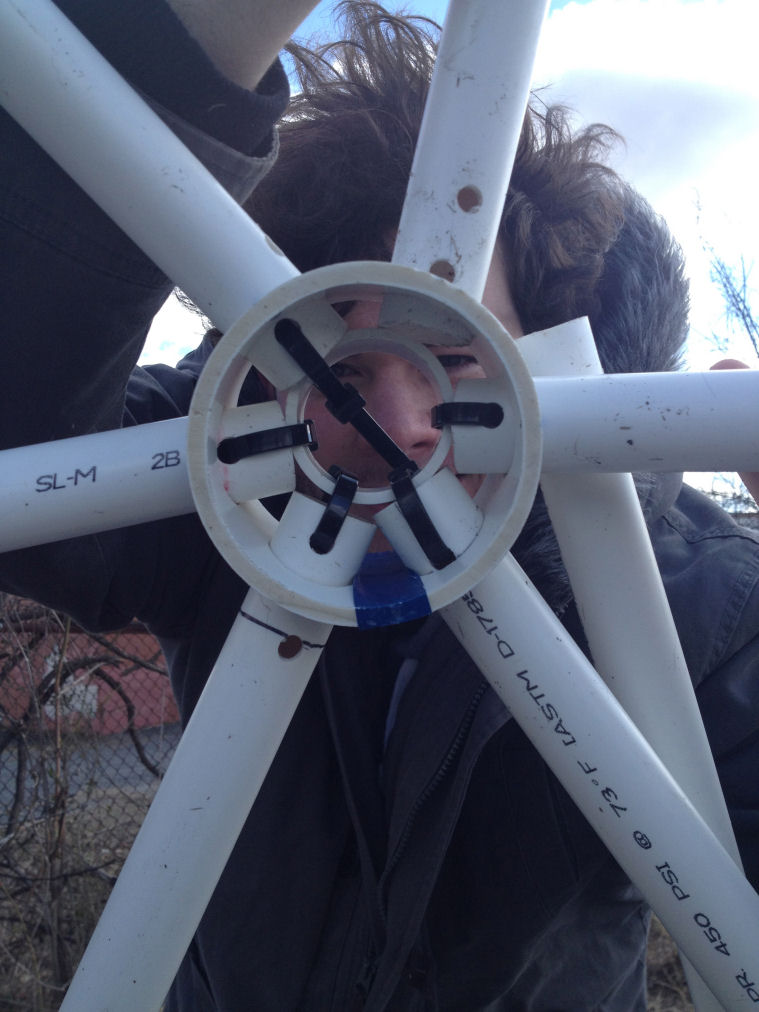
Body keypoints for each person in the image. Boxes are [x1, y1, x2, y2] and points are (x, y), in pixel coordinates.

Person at [1, 1, 757, 1009]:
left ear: (555, 362)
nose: (391, 429)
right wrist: (190, 58)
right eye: (338, 363)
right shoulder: (223, 487)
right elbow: (29, 444)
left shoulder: (696, 600)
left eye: (451, 356)